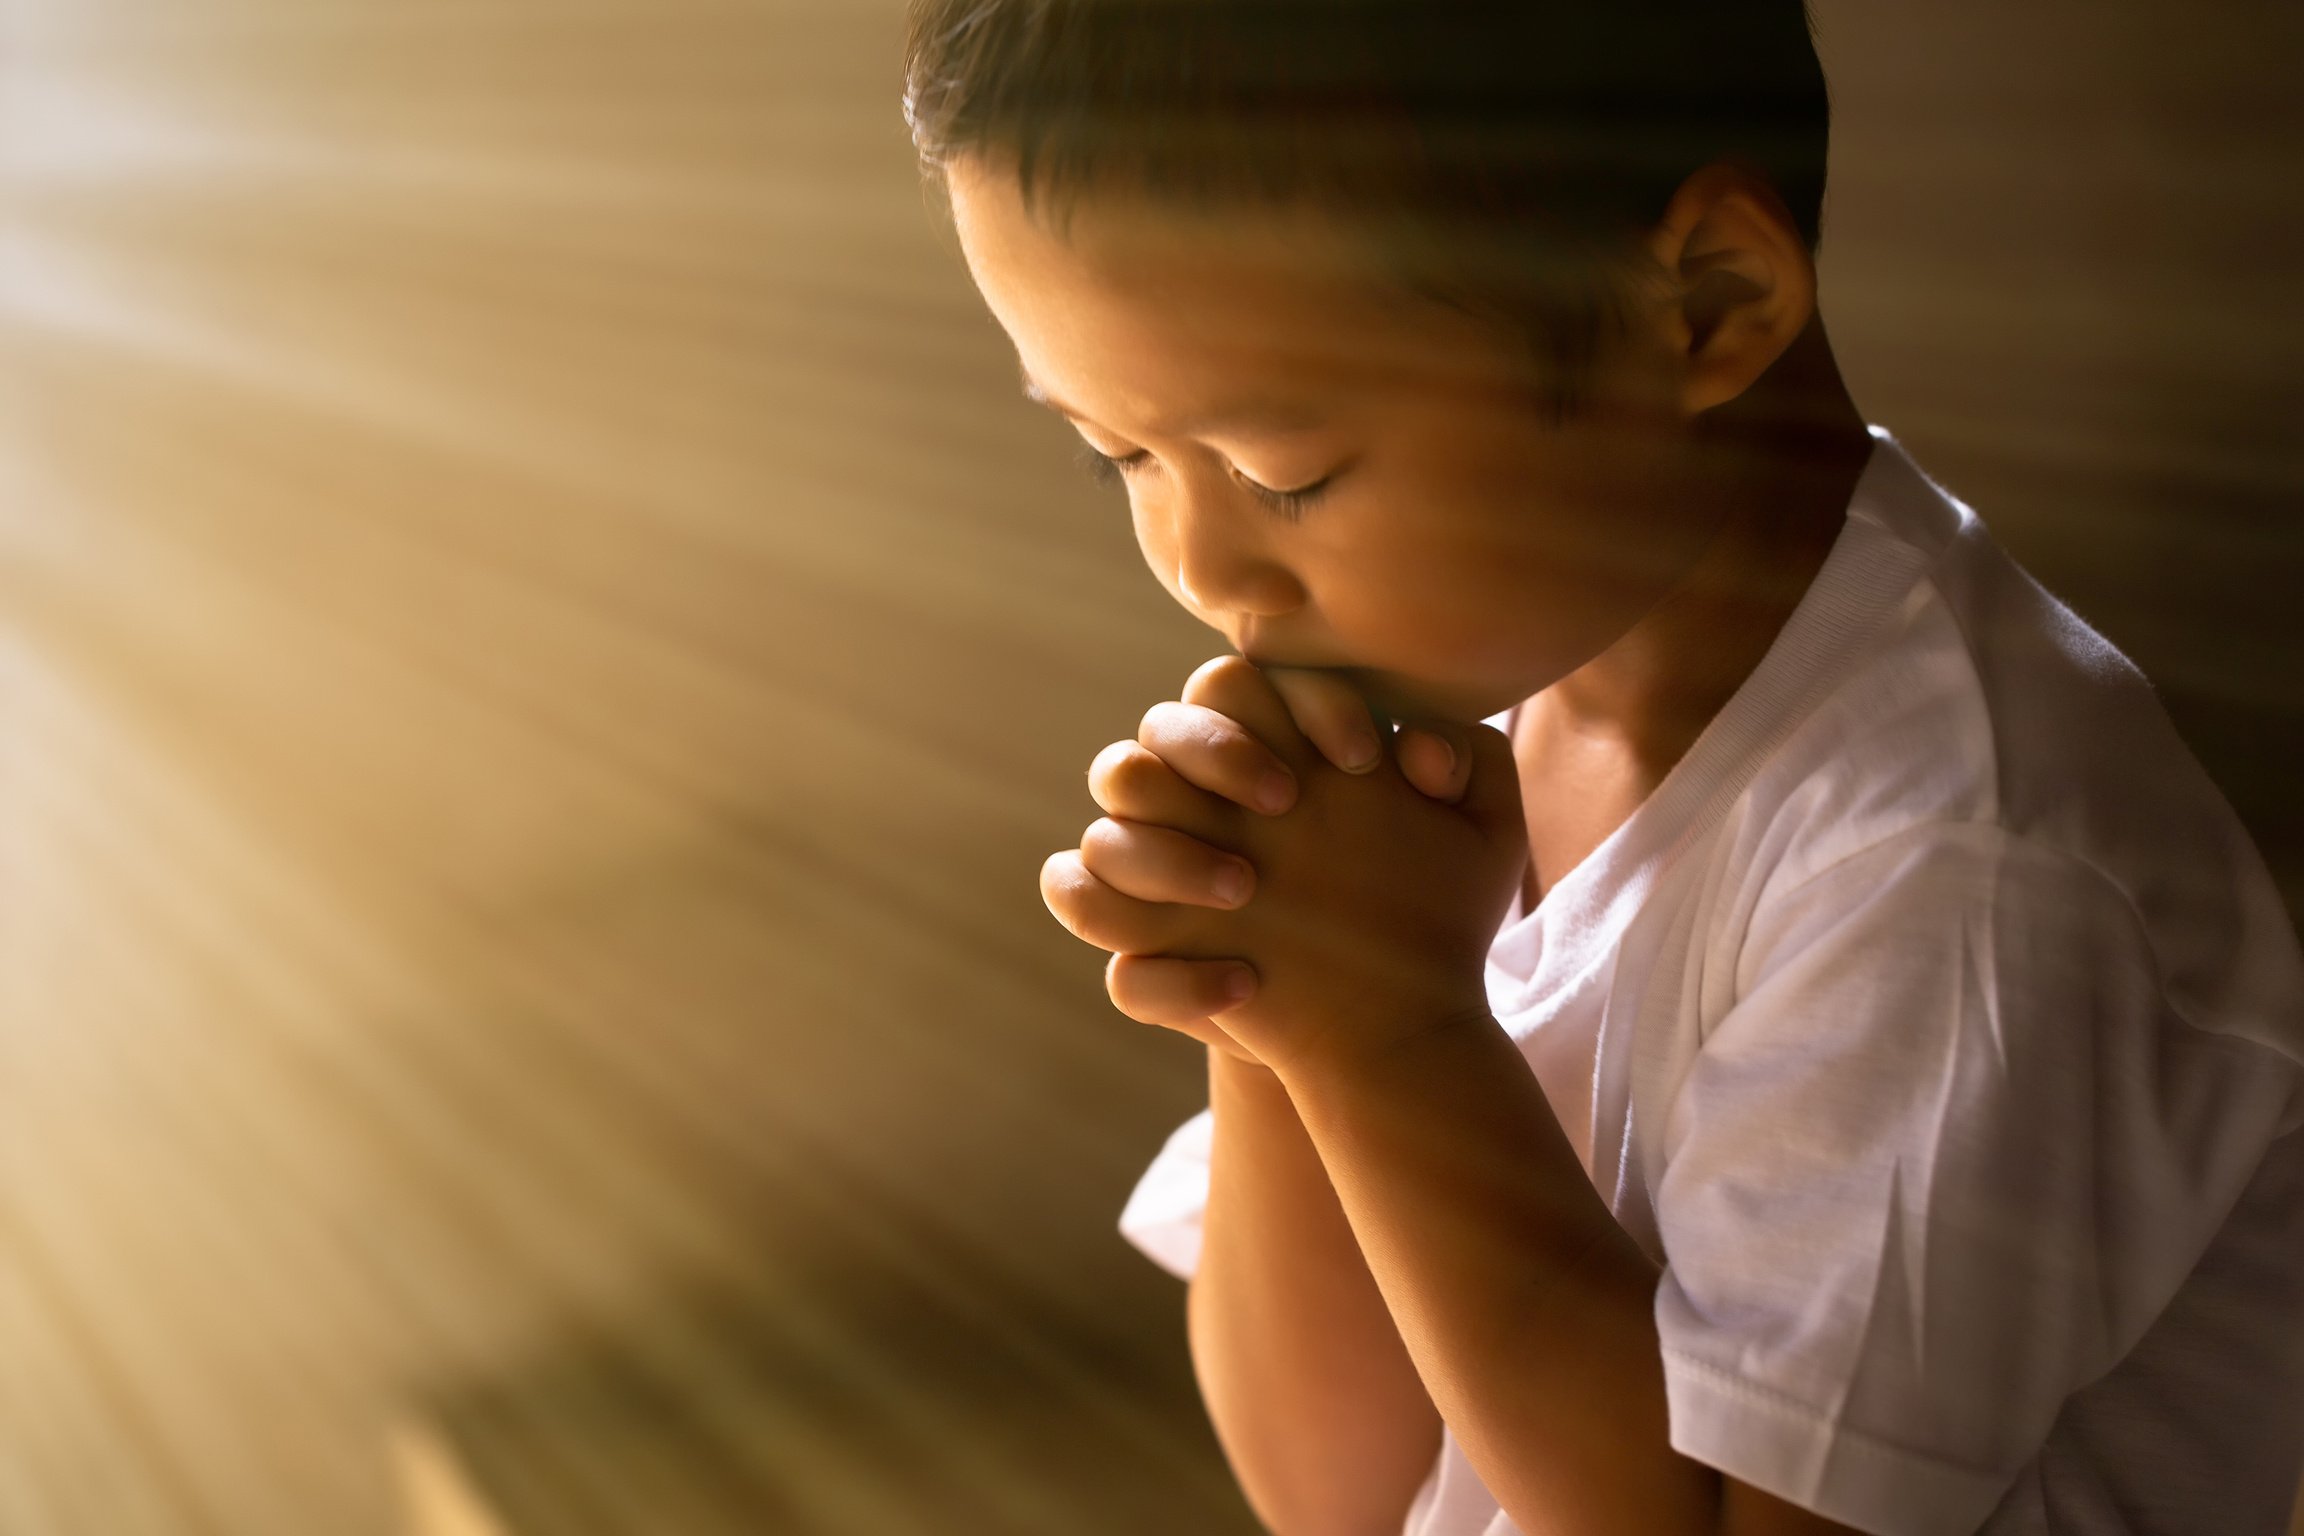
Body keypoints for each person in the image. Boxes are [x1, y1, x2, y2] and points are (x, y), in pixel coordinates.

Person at [899, 4, 2304, 1533]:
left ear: (1704, 304)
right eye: (1120, 456)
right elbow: (1335, 1493)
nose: (1198, 565)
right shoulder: (1480, 685)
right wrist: (1276, 997)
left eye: (1282, 472)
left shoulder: (1963, 871)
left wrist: (1390, 1031)